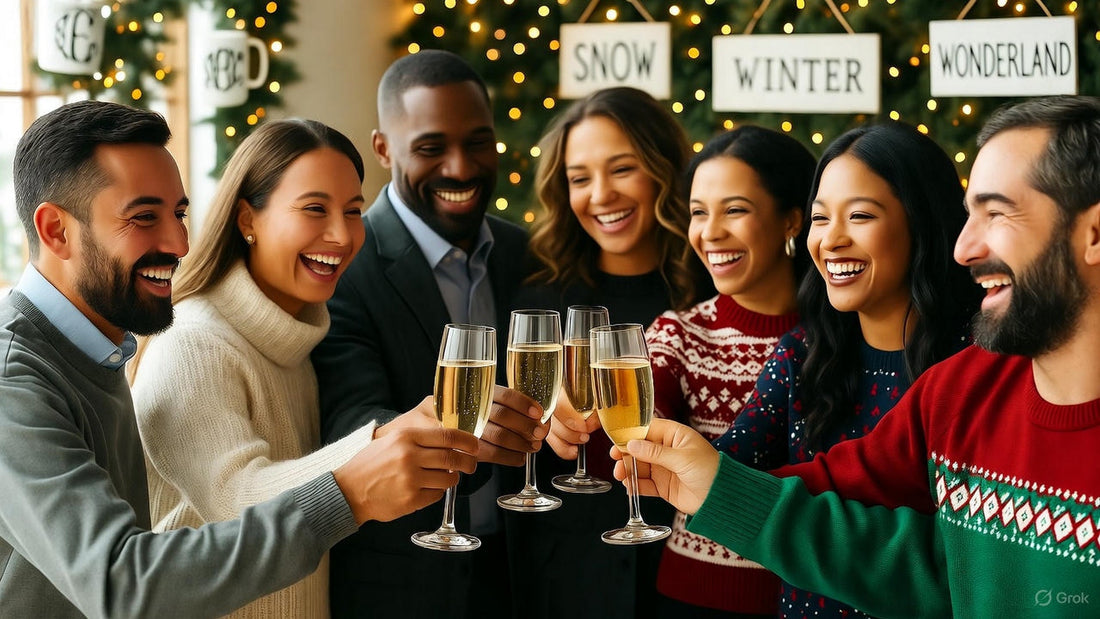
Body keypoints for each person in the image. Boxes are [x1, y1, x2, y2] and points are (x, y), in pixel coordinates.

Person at [614, 96, 1100, 616]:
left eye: (997, 212)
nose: (965, 248)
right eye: (969, 216)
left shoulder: (963, 365)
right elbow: (892, 540)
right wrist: (693, 476)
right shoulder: (958, 387)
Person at [0, 100, 480, 618]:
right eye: (143, 217)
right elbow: (122, 584)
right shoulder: (15, 382)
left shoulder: (101, 347)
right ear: (54, 231)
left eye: (179, 214)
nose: (179, 242)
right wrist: (351, 488)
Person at [129, 119, 496, 618]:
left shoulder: (295, 337)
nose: (342, 235)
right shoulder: (195, 343)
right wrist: (380, 445)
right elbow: (239, 503)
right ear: (246, 220)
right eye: (314, 209)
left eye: (353, 211)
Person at [709, 122, 979, 617]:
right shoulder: (802, 355)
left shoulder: (977, 362)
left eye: (859, 216)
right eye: (819, 218)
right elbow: (728, 471)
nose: (830, 240)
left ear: (922, 221)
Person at [310, 50, 544, 619]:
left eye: (479, 142)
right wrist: (456, 434)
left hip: (525, 579)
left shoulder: (529, 254)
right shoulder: (343, 263)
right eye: (431, 148)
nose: (461, 169)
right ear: (384, 149)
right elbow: (351, 423)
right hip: (404, 584)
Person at [512, 86, 707, 619]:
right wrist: (540, 422)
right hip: (567, 579)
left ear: (662, 170)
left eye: (622, 169)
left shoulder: (705, 292)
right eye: (579, 178)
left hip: (684, 579)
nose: (600, 195)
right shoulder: (539, 304)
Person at [641, 126, 815, 617]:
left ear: (791, 220)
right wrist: (582, 413)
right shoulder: (679, 334)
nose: (710, 232)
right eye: (699, 212)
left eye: (734, 209)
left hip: (819, 598)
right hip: (695, 599)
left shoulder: (844, 338)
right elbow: (629, 433)